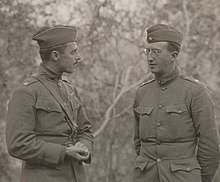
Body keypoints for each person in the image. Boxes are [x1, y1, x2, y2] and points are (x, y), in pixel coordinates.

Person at [132, 24, 220, 182]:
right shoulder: (142, 92)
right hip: (145, 176)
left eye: (156, 52)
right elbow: (138, 141)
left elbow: (210, 145)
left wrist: (199, 178)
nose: (150, 57)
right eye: (148, 51)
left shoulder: (195, 91)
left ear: (173, 55)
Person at [6, 25, 94, 182]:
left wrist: (83, 146)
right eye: (73, 52)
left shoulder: (70, 89)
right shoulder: (27, 92)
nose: (78, 57)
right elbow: (17, 144)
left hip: (75, 176)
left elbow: (85, 130)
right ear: (55, 55)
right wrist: (63, 152)